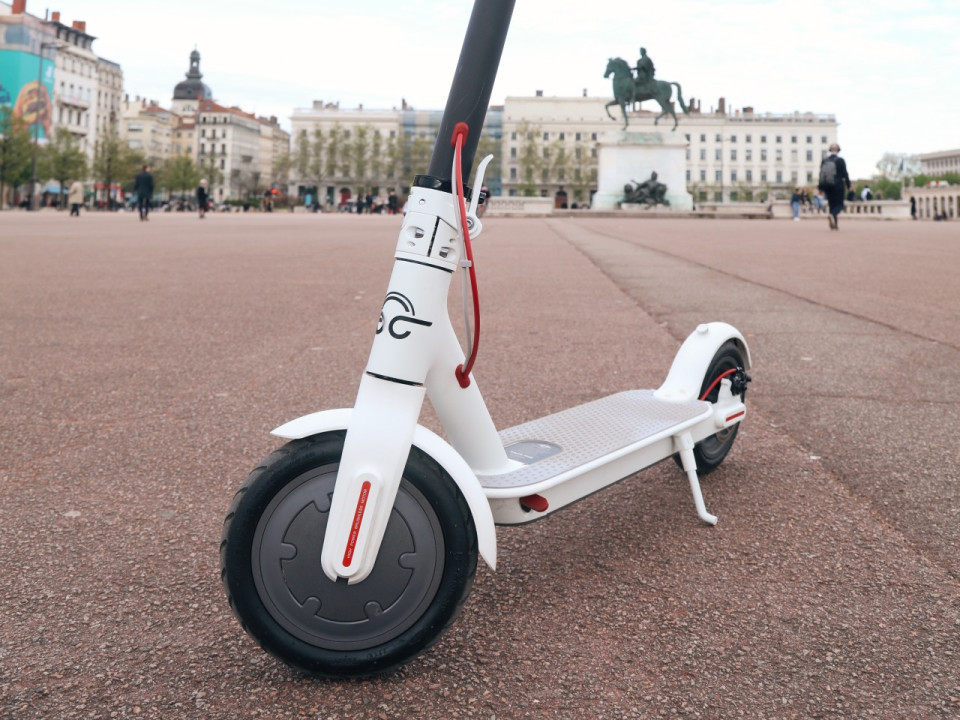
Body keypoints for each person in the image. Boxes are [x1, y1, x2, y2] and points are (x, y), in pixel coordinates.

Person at [818, 143, 851, 230]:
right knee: (839, 204)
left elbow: (821, 174)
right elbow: (845, 174)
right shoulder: (840, 161)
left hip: (828, 186)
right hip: (838, 185)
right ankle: (832, 215)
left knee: (831, 204)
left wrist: (820, 187)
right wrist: (848, 186)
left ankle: (835, 225)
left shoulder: (825, 160)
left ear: (830, 150)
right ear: (838, 150)